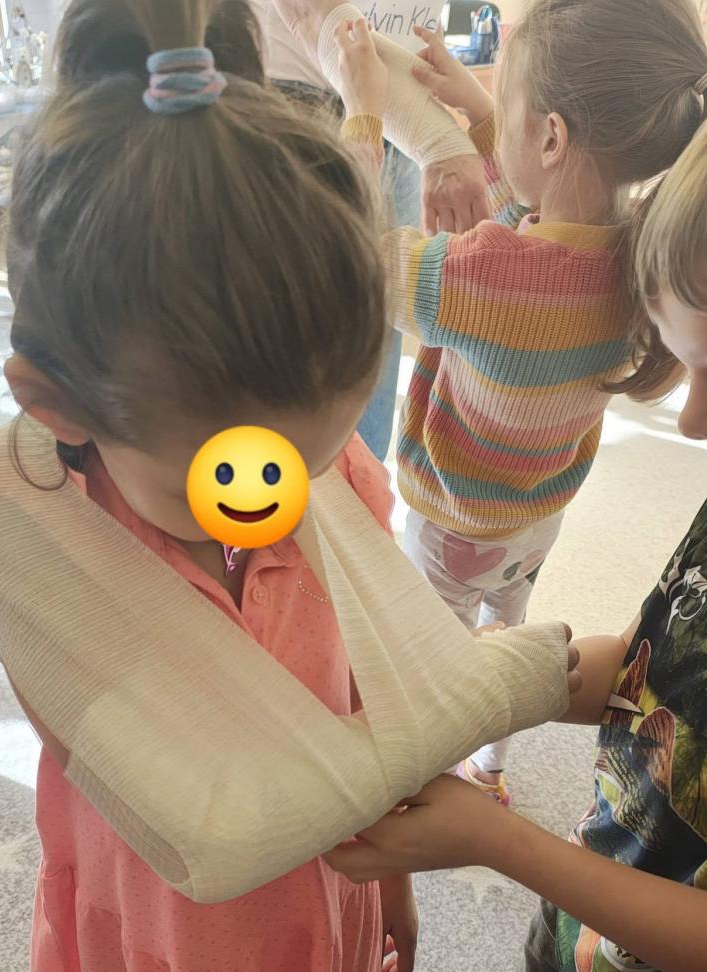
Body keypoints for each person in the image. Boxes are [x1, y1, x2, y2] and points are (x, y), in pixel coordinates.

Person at [0, 2, 578, 972]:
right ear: (56, 404)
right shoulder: (35, 544)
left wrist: (387, 872)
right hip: (160, 896)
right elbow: (130, 774)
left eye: (313, 456)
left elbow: (381, 697)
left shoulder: (334, 488)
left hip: (317, 896)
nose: (278, 503)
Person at [327, 115, 707, 972]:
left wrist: (499, 840)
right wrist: (500, 680)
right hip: (606, 861)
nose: (690, 423)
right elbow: (658, 663)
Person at [279, 0, 706, 804]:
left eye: (508, 112)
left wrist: (362, 113)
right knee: (506, 632)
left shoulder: (475, 277)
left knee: (431, 658)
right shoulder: (639, 256)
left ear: (551, 138)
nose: (493, 126)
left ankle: (432, 779)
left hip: (452, 521)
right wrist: (483, 114)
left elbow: (349, 255)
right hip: (537, 515)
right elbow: (537, 213)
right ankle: (493, 770)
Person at [249, 0, 482, 461]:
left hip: (403, 95)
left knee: (378, 320)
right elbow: (306, 11)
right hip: (300, 91)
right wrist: (439, 140)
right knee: (293, 352)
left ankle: (362, 488)